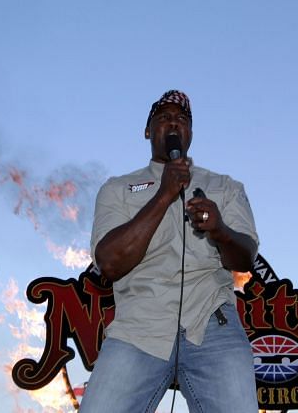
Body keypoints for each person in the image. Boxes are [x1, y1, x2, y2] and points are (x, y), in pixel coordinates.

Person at [79, 90, 260, 412]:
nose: (173, 123)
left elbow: (245, 258)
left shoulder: (227, 186)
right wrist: (164, 193)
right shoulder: (117, 188)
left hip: (212, 324)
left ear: (190, 132)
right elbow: (109, 263)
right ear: (148, 131)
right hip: (139, 326)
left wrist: (220, 231)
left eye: (182, 119)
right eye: (163, 118)